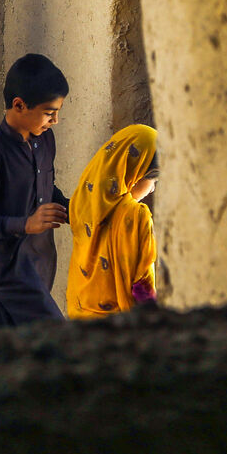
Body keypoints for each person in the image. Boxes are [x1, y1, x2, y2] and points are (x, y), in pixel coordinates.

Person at [0, 54, 70, 331]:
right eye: (49, 112)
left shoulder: (45, 141)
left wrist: (74, 209)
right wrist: (25, 224)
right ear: (19, 105)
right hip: (7, 273)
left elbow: (46, 189)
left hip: (40, 264)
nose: (55, 120)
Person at [66, 124, 159, 319]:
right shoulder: (135, 216)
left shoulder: (82, 201)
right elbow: (142, 285)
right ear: (135, 174)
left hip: (79, 318)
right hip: (118, 329)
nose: (152, 190)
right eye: (153, 181)